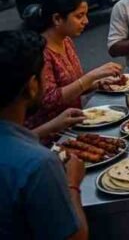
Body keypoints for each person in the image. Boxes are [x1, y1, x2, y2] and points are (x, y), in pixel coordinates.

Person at [0, 29, 88, 240]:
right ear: (32, 86)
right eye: (43, 76)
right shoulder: (39, 165)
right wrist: (72, 182)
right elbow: (76, 237)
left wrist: (53, 125)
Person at [23, 0, 122, 139]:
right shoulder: (41, 52)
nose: (86, 21)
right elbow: (49, 100)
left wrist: (97, 83)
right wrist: (91, 76)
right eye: (79, 16)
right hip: (47, 136)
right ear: (57, 19)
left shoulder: (66, 41)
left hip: (72, 128)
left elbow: (74, 84)